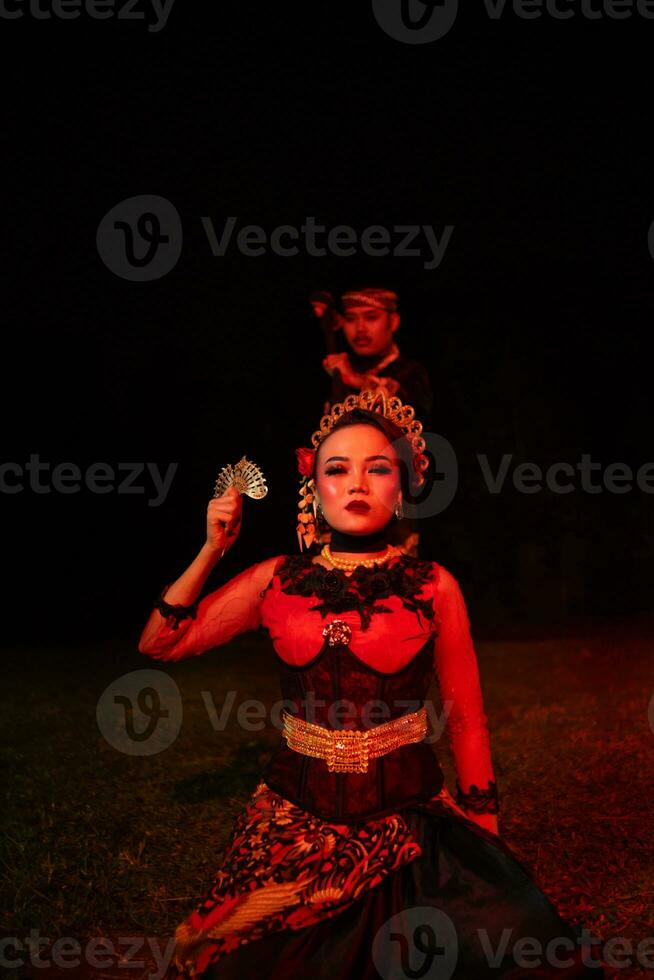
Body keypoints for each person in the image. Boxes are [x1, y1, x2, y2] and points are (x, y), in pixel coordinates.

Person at [138, 390, 605, 979]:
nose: (356, 483)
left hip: (409, 820)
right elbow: (159, 643)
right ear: (314, 487)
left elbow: (465, 718)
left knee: (524, 955)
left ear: (402, 486)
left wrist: (485, 839)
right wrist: (213, 548)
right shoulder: (275, 581)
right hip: (293, 822)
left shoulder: (434, 586)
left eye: (377, 468)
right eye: (337, 469)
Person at [319, 286, 433, 557]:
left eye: (370, 318)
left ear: (392, 322)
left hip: (389, 502)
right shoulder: (336, 375)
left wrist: (355, 381)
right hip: (342, 500)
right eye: (351, 319)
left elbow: (411, 410)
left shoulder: (410, 373)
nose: (359, 328)